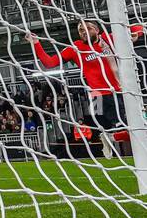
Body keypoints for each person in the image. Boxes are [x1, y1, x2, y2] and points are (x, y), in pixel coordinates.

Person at [28, 21, 145, 157]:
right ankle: (110, 137)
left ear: (97, 30)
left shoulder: (109, 38)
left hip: (120, 92)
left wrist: (137, 33)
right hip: (97, 96)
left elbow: (136, 28)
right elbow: (49, 63)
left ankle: (111, 138)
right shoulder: (75, 48)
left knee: (133, 128)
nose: (83, 32)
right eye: (80, 30)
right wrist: (35, 42)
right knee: (121, 127)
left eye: (87, 28)